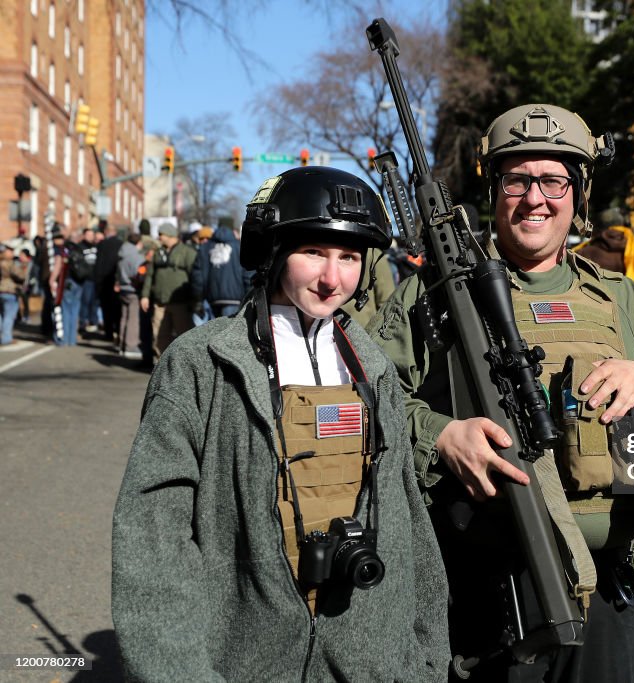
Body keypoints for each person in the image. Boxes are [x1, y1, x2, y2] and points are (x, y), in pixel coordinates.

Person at [369, 103, 634, 682]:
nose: (536, 198)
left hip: (604, 587)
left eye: (554, 180)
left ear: (577, 194)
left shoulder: (623, 300)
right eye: (517, 179)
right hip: (480, 586)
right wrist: (441, 434)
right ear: (494, 190)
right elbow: (365, 405)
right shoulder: (427, 299)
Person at [112, 166, 449, 681]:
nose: (332, 278)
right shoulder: (202, 362)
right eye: (313, 252)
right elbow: (154, 533)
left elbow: (408, 526)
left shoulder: (373, 366)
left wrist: (426, 658)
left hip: (367, 662)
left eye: (349, 258)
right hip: (241, 660)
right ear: (272, 253)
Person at [140, 222, 197, 359]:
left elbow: (195, 277)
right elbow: (150, 276)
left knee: (184, 336)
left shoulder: (187, 252)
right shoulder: (158, 252)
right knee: (159, 336)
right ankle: (162, 366)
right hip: (160, 303)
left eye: (161, 234)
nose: (159, 237)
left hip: (180, 303)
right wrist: (145, 296)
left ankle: (184, 366)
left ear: (170, 234)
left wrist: (194, 300)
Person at [574, 207, 634, 290]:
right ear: (621, 223)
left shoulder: (584, 251)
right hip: (625, 299)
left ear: (600, 226)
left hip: (590, 299)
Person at [190, 224, 252, 318]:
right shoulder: (241, 247)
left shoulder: (204, 248)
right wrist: (249, 297)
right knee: (229, 331)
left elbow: (197, 277)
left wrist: (198, 298)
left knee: (214, 331)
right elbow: (248, 274)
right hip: (235, 299)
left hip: (212, 298)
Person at [0, 242, 28, 346]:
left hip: (1, 291)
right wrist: (23, 268)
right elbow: (20, 276)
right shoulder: (9, 263)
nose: (12, 253)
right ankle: (6, 338)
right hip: (9, 290)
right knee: (9, 316)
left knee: (1, 316)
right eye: (10, 251)